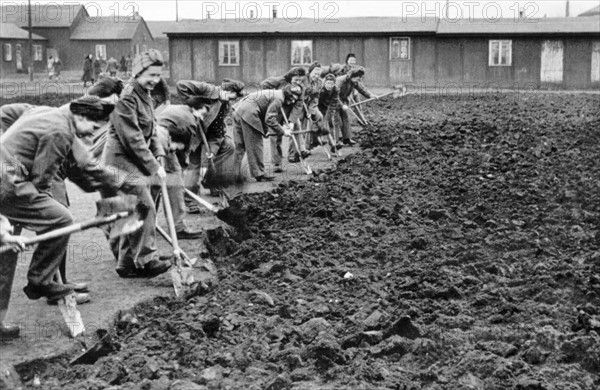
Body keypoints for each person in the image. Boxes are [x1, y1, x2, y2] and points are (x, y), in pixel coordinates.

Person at [0, 96, 116, 306]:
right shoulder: (61, 131)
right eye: (93, 125)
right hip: (9, 185)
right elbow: (42, 178)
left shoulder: (46, 111)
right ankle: (40, 281)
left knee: (6, 251)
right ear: (80, 116)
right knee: (61, 219)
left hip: (8, 178)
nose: (92, 132)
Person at [100, 49, 172, 279]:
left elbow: (150, 131)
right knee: (144, 202)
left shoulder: (146, 94)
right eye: (150, 74)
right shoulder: (127, 97)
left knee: (142, 200)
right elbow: (132, 138)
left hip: (134, 158)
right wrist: (153, 167)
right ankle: (147, 259)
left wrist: (159, 156)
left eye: (158, 75)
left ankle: (126, 262)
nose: (155, 80)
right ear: (138, 72)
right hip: (118, 160)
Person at [176, 79, 242, 205]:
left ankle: (212, 182)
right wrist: (191, 104)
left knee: (229, 146)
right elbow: (181, 85)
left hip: (210, 133)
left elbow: (217, 130)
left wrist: (212, 151)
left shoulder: (225, 105)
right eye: (230, 97)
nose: (229, 101)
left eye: (232, 99)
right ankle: (190, 200)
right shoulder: (208, 89)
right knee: (195, 163)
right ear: (225, 90)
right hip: (194, 131)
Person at [231, 85, 301, 182]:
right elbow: (269, 119)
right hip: (249, 113)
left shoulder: (275, 93)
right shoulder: (279, 99)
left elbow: (263, 114)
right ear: (288, 94)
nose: (293, 102)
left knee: (240, 145)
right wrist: (283, 131)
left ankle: (234, 174)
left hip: (238, 110)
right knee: (255, 144)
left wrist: (264, 131)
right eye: (292, 98)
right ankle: (259, 173)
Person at [260, 67, 306, 171]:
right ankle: (277, 163)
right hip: (276, 109)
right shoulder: (280, 81)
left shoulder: (301, 88)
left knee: (297, 125)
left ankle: (297, 153)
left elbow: (299, 105)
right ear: (290, 77)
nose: (298, 82)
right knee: (275, 134)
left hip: (289, 110)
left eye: (300, 80)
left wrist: (291, 122)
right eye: (296, 80)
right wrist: (273, 94)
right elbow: (264, 84)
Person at [336, 67, 378, 146]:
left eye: (358, 79)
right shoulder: (340, 80)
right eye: (356, 78)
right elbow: (335, 95)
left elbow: (362, 89)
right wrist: (341, 105)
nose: (357, 81)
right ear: (351, 76)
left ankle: (347, 138)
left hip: (343, 99)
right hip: (334, 100)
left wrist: (371, 95)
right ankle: (336, 141)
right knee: (337, 120)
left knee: (345, 118)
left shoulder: (354, 81)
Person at [317, 74, 342, 149]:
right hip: (317, 105)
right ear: (324, 83)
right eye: (328, 83)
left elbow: (334, 102)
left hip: (328, 105)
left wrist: (330, 113)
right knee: (319, 121)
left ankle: (334, 143)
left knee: (330, 121)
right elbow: (314, 100)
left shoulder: (336, 89)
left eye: (332, 84)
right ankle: (316, 140)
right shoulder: (319, 89)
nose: (329, 86)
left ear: (334, 84)